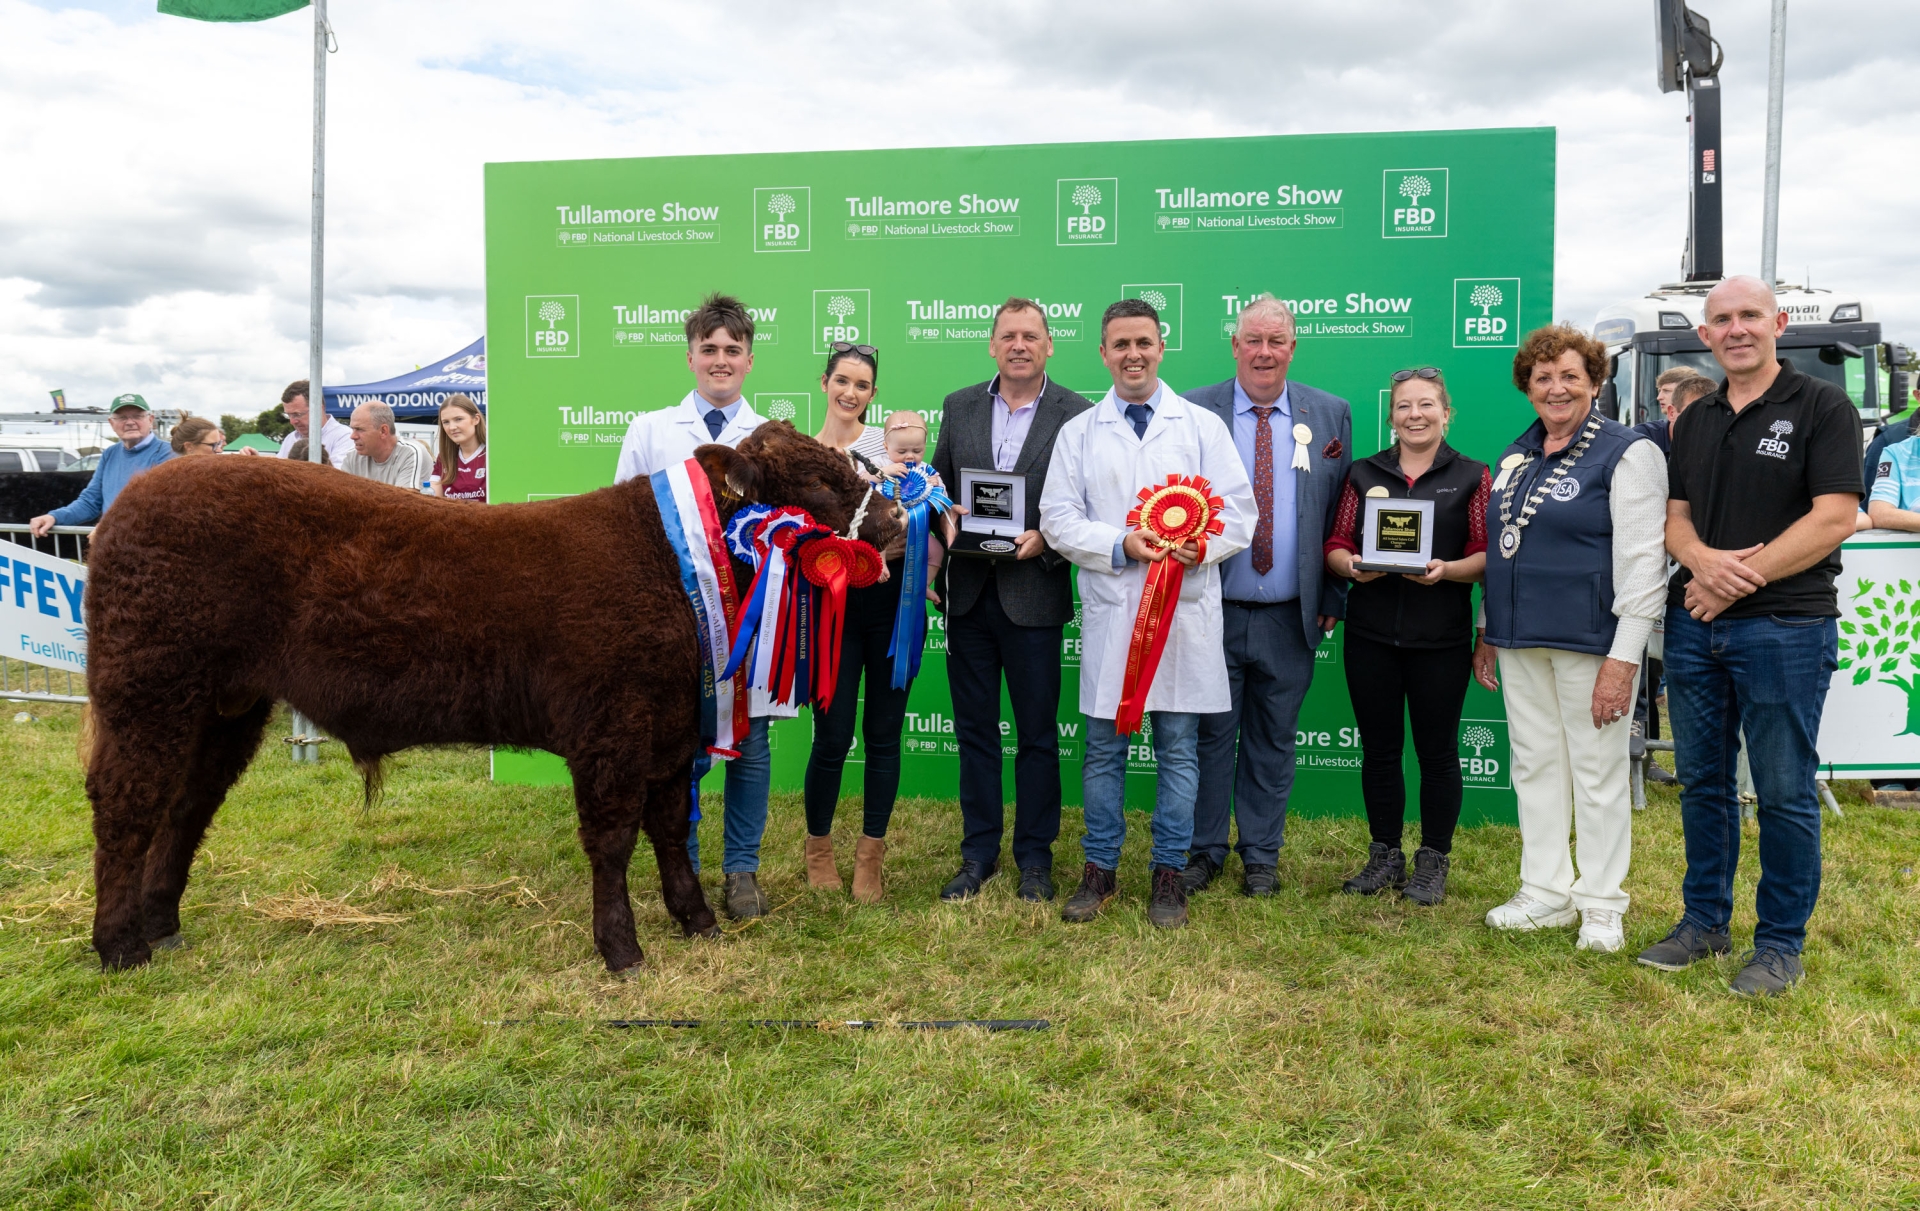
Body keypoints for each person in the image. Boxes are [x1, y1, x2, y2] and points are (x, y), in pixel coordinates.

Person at [1639, 275, 1863, 996]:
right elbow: (1676, 517)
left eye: (1750, 316)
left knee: (1783, 788)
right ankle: (1704, 921)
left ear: (1778, 323)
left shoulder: (1822, 405)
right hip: (1696, 624)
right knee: (1703, 782)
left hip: (1786, 624)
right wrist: (1701, 563)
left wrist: (1734, 578)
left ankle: (1779, 945)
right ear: (1705, 336)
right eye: (1722, 320)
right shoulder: (1696, 417)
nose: (1736, 329)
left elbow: (1834, 516)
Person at [1039, 298, 1255, 929]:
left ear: (1161, 347)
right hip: (1115, 614)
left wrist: (1200, 547)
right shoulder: (1080, 431)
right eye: (1120, 344)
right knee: (1103, 751)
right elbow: (1057, 517)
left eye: (1143, 343)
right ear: (1103, 353)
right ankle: (1099, 869)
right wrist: (1119, 544)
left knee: (1180, 750)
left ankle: (1168, 874)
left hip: (1182, 614)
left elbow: (1238, 513)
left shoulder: (1201, 427)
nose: (1133, 354)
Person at [1472, 325, 1668, 954]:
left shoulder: (1628, 452)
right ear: (1527, 387)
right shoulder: (1517, 454)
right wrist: (1488, 627)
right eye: (1543, 378)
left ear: (1595, 381)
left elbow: (1644, 564)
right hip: (1519, 638)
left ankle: (1602, 904)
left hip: (1592, 641)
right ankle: (1545, 891)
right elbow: (1503, 547)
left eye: (1569, 376)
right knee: (1534, 765)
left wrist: (1624, 658)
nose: (1556, 388)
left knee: (1598, 771)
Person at [611, 293, 782, 920]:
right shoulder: (650, 430)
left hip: (751, 617)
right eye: (708, 349)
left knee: (751, 744)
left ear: (750, 361)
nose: (720, 360)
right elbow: (621, 523)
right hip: (671, 623)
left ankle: (742, 871)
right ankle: (681, 867)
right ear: (690, 358)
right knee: (674, 749)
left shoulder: (770, 441)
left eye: (732, 350)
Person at [1185, 297, 1353, 897]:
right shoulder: (1193, 411)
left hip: (1290, 614)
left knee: (1275, 738)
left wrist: (1333, 592)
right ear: (1234, 345)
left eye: (1276, 341)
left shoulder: (1330, 414)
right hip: (1209, 609)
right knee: (1208, 737)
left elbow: (1342, 513)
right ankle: (1203, 851)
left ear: (1292, 348)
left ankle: (1260, 855)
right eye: (1253, 340)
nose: (1264, 352)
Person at [931, 298, 1093, 904]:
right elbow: (937, 487)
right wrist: (946, 520)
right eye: (1008, 336)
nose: (1019, 345)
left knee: (1037, 736)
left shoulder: (1077, 413)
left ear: (1049, 345)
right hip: (968, 596)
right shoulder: (959, 406)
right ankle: (978, 854)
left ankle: (1035, 859)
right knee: (975, 732)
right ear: (992, 345)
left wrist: (1047, 539)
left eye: (1030, 336)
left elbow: (1089, 503)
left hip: (1035, 593)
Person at [1324, 367, 1488, 904]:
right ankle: (1385, 855)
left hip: (1440, 638)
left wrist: (1448, 570)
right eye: (1404, 407)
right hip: (1370, 635)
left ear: (1446, 413)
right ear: (1391, 416)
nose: (1415, 415)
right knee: (1379, 751)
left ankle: (1433, 860)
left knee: (1438, 754)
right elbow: (1337, 542)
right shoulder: (1363, 472)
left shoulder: (1472, 475)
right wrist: (1352, 567)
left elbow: (1486, 553)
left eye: (1426, 405)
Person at [802, 342, 913, 904]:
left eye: (862, 385)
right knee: (832, 735)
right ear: (825, 382)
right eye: (842, 381)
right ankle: (818, 848)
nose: (850, 393)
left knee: (884, 735)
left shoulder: (888, 449)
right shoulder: (803, 454)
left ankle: (871, 854)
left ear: (873, 394)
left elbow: (915, 518)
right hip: (831, 609)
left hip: (889, 604)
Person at [28, 393, 175, 536]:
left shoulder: (169, 453)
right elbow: (90, 501)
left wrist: (111, 526)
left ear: (150, 420)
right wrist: (54, 517)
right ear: (111, 423)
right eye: (122, 417)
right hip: (113, 543)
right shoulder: (109, 454)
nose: (130, 422)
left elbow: (160, 506)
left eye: (137, 416)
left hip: (150, 545)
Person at [880, 411, 947, 601]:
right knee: (878, 540)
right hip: (886, 525)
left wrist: (935, 485)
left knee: (937, 551)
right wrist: (885, 471)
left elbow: (942, 496)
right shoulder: (880, 463)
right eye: (901, 452)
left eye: (917, 451)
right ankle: (880, 564)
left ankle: (924, 585)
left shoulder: (925, 470)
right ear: (886, 446)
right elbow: (862, 479)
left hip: (916, 529)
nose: (910, 456)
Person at [242, 380, 355, 464]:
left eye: (297, 414)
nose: (292, 421)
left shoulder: (345, 437)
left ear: (319, 409)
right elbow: (280, 469)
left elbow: (338, 478)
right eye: (288, 415)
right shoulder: (290, 438)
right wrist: (257, 460)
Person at [338, 402, 434, 491]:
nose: (353, 436)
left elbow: (404, 501)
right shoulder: (351, 457)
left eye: (359, 429)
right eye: (352, 429)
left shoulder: (411, 453)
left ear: (383, 431)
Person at [1632, 369, 1714, 455]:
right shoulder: (1643, 436)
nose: (1659, 397)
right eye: (1659, 391)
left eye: (1666, 391)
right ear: (1671, 413)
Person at [433, 394, 487, 502]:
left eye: (458, 419)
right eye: (446, 422)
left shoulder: (493, 454)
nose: (452, 427)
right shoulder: (444, 457)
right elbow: (433, 500)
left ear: (476, 419)